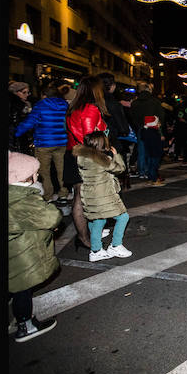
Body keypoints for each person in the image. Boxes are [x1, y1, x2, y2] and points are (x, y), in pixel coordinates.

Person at [8, 151, 60, 342]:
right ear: (25, 178)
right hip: (22, 255)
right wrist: (40, 199)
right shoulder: (23, 200)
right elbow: (51, 217)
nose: (38, 176)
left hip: (11, 252)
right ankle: (25, 325)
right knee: (23, 288)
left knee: (12, 287)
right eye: (35, 174)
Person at [73, 131, 133, 262]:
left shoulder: (81, 156)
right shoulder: (101, 160)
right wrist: (116, 156)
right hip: (103, 195)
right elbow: (120, 169)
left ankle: (96, 250)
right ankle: (115, 246)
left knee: (97, 220)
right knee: (123, 217)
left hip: (89, 194)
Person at [65, 76, 109, 250]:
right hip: (86, 155)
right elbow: (90, 138)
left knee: (80, 195)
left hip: (73, 153)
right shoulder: (90, 109)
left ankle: (84, 235)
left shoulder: (73, 108)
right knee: (83, 197)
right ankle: (84, 238)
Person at [15, 82, 70, 202]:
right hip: (62, 142)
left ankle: (48, 195)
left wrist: (16, 133)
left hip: (44, 143)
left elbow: (30, 122)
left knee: (44, 171)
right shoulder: (64, 104)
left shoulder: (40, 105)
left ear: (44, 95)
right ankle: (63, 194)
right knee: (62, 170)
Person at [126, 82, 167, 186]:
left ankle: (142, 171)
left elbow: (132, 116)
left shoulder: (135, 103)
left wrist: (139, 125)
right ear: (148, 89)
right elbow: (161, 117)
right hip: (153, 130)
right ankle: (152, 175)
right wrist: (161, 131)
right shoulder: (154, 101)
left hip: (141, 128)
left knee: (142, 151)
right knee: (154, 154)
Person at [98, 73, 132, 189]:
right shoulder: (113, 103)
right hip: (111, 139)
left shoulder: (93, 100)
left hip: (93, 141)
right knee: (114, 167)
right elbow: (122, 126)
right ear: (112, 86)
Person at [9, 81, 34, 153]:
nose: (27, 95)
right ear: (15, 92)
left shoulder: (27, 104)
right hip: (15, 138)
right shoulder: (13, 105)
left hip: (25, 137)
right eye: (24, 92)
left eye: (28, 92)